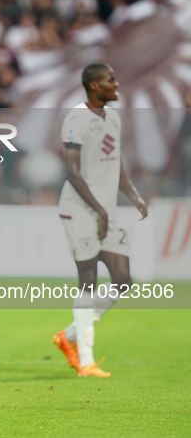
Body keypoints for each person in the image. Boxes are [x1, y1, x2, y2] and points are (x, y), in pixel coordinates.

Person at [53, 64, 148, 377]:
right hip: (79, 210)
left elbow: (115, 161)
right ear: (94, 86)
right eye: (111, 80)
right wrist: (101, 211)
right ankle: (87, 361)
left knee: (122, 281)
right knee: (88, 281)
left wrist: (133, 195)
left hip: (106, 211)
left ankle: (67, 337)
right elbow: (72, 172)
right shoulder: (76, 118)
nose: (116, 84)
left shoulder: (114, 118)